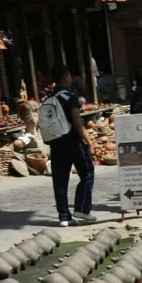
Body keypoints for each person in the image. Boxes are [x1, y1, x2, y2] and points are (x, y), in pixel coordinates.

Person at [44, 64, 96, 226]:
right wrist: (89, 142)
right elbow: (77, 123)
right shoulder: (69, 97)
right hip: (73, 142)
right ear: (66, 78)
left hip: (56, 144)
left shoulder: (48, 99)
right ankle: (82, 209)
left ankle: (64, 217)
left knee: (59, 180)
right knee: (87, 172)